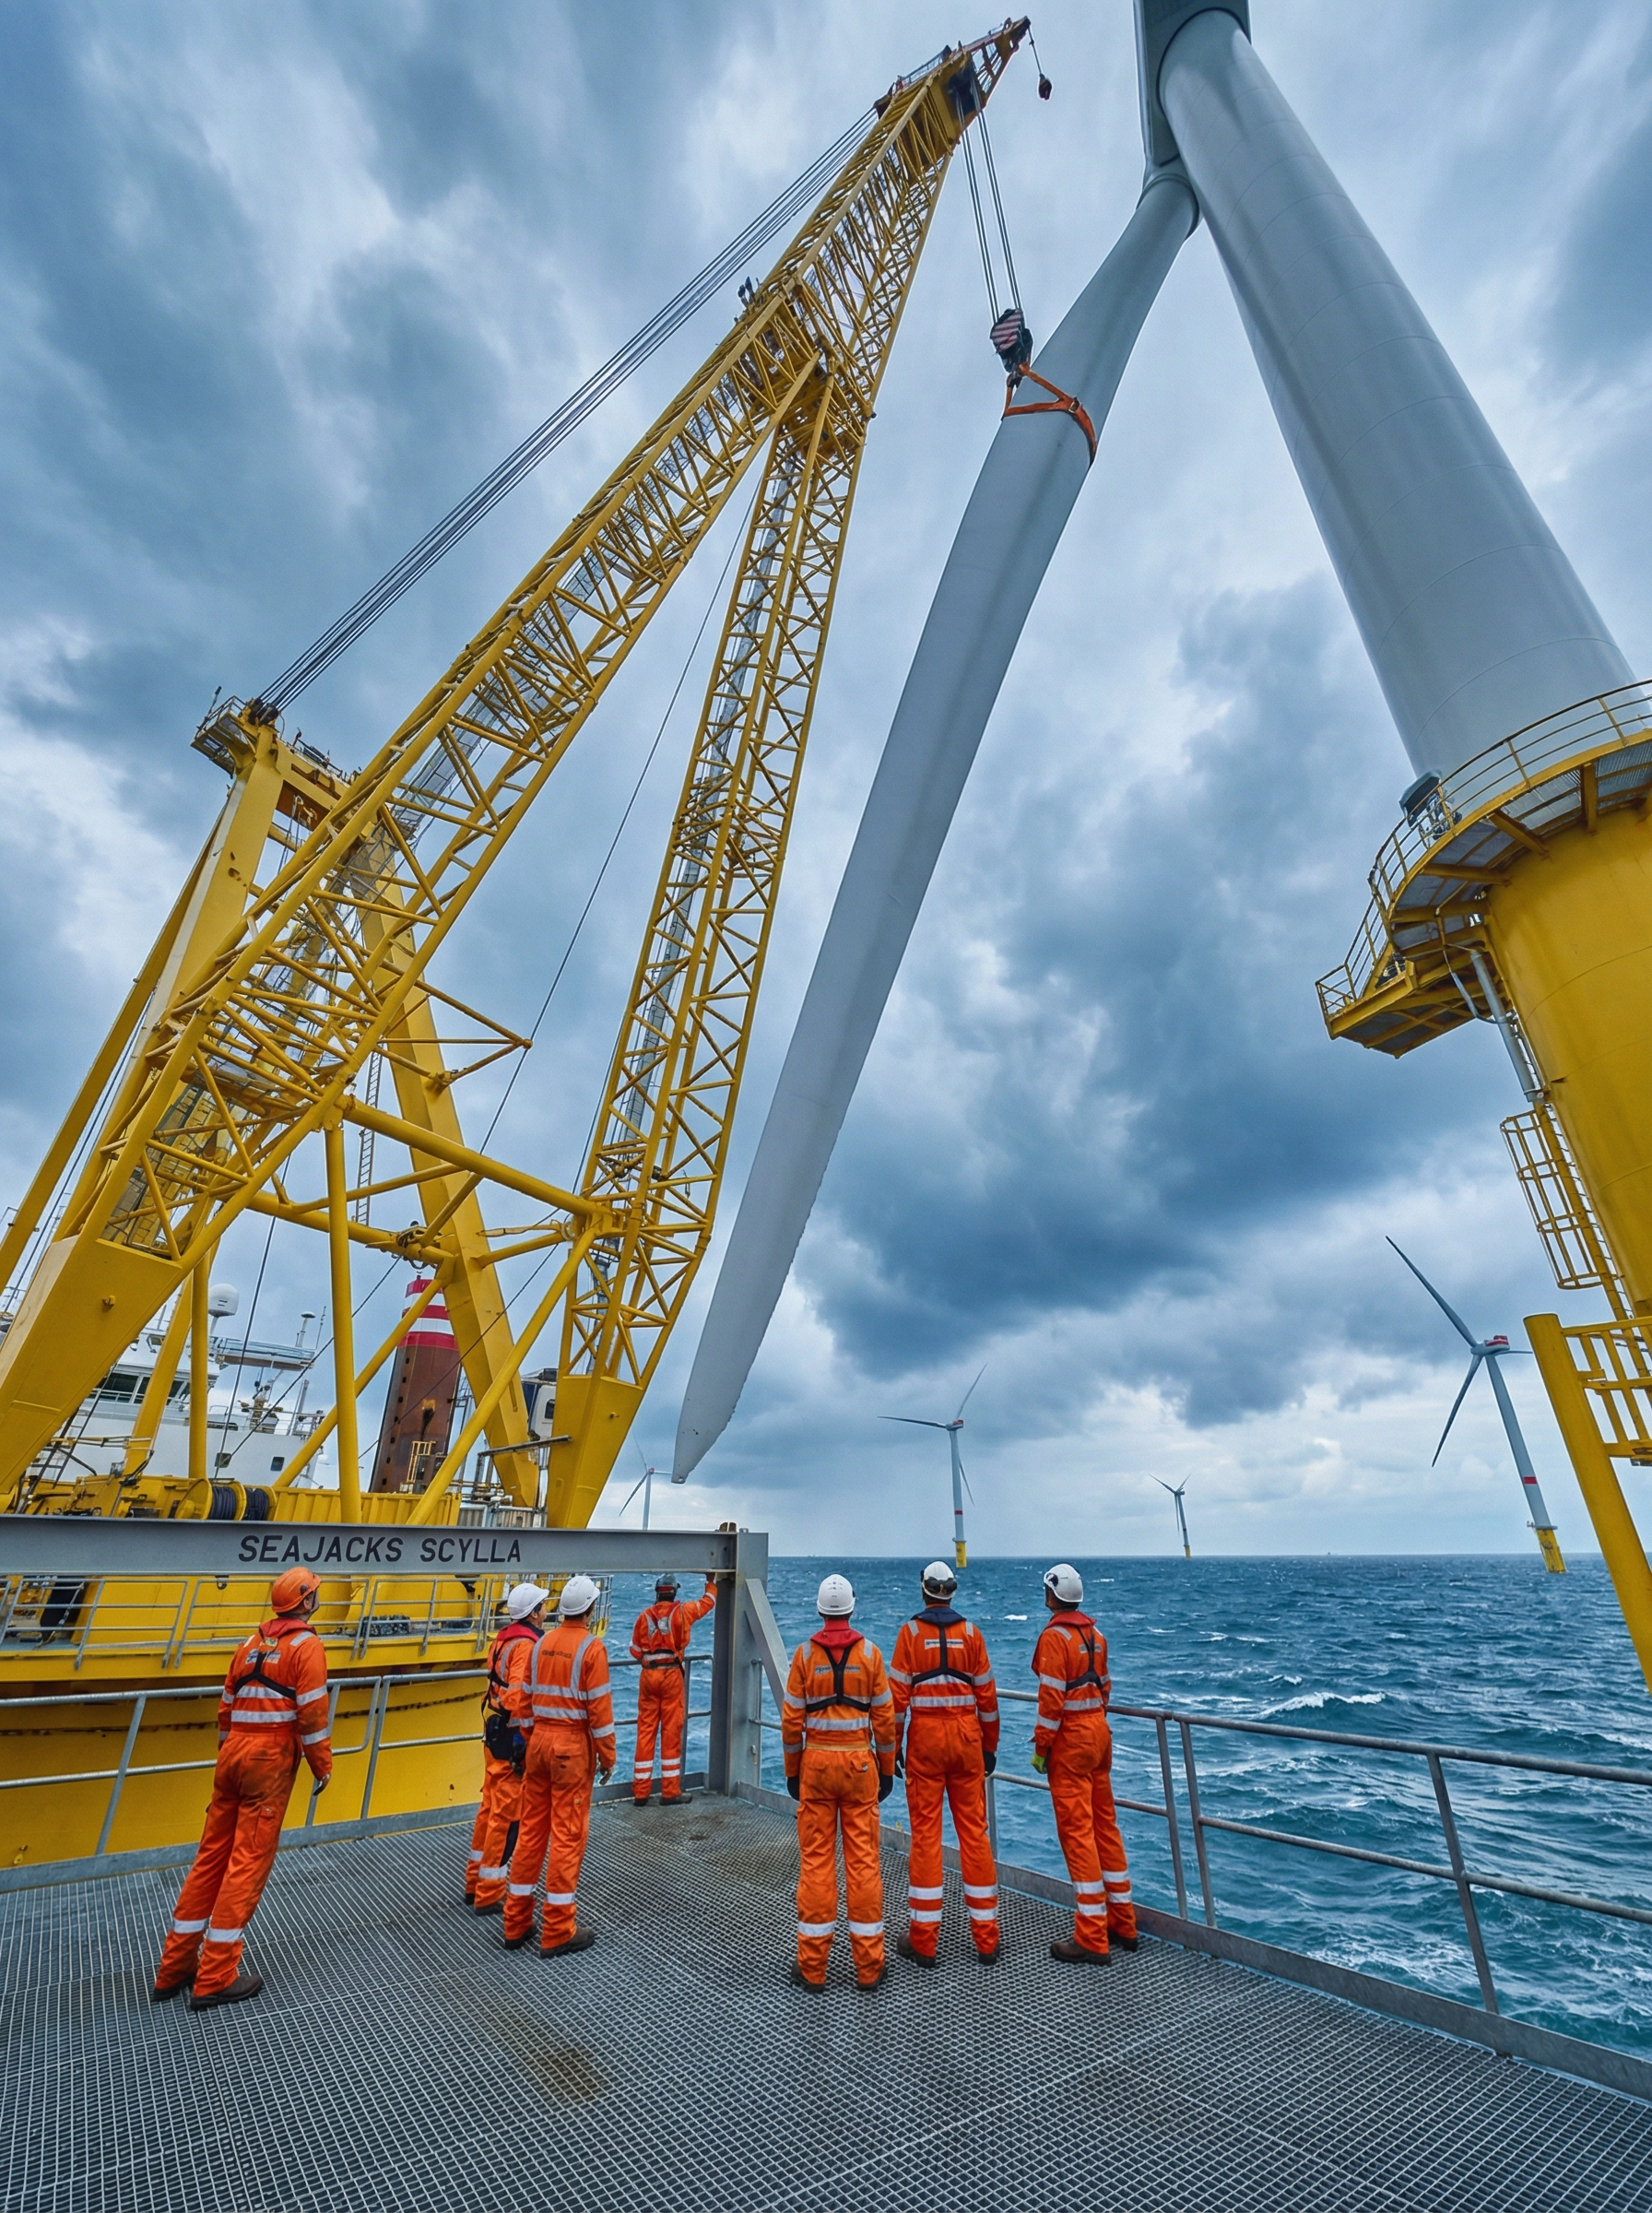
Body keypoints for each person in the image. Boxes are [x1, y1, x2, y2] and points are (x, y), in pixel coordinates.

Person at [152, 1565, 333, 2011]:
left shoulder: (249, 1644)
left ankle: (174, 1967)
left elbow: (227, 1706)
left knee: (210, 1858)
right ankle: (215, 1976)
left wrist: (227, 1753)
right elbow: (311, 1716)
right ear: (306, 1602)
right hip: (267, 1763)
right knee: (246, 1864)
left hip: (231, 1757)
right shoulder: (306, 1647)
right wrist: (322, 1767)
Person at [781, 1572, 897, 1991]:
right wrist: (886, 1770)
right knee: (863, 1864)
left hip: (816, 1765)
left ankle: (812, 1968)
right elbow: (885, 1722)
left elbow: (792, 1723)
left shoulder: (804, 1656)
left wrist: (793, 1773)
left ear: (819, 1609)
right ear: (851, 1607)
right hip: (860, 1768)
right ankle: (869, 1968)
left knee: (816, 1864)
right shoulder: (870, 1655)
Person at [890, 1560, 1001, 1965]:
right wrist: (989, 1747)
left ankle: (923, 1941)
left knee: (926, 1838)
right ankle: (987, 1939)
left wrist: (891, 1751)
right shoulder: (972, 1634)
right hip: (968, 1741)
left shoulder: (910, 1633)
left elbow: (897, 1702)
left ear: (924, 1590)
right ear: (951, 1592)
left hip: (926, 1744)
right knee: (974, 1835)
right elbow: (987, 1701)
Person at [503, 1573, 617, 1956]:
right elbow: (600, 1711)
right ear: (590, 1609)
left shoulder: (540, 1644)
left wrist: (532, 1740)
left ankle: (515, 1923)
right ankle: (557, 1931)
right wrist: (608, 1756)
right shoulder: (591, 1649)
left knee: (532, 1834)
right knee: (567, 1839)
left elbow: (523, 1701)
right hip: (571, 1750)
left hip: (538, 1746)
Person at [1031, 1562, 1138, 1963]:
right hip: (1099, 1734)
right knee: (1105, 1826)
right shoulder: (1097, 1636)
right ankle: (1122, 1922)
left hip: (1072, 1740)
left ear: (1051, 1596)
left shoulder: (1054, 1638)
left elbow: (1051, 1699)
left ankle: (1092, 1936)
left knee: (1077, 1834)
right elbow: (1104, 1687)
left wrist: (1042, 1748)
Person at [467, 1580, 549, 1912]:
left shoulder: (503, 1640)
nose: (546, 1610)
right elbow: (517, 1695)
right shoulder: (527, 1647)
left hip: (494, 1728)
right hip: (510, 1736)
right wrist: (521, 1742)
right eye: (543, 1606)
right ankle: (489, 1893)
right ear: (534, 1613)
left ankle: (475, 1881)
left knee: (488, 1810)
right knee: (507, 1816)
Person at [630, 1571, 717, 1805]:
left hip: (649, 1675)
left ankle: (640, 1793)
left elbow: (635, 1651)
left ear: (657, 1593)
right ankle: (670, 1792)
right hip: (672, 1676)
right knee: (671, 1733)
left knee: (645, 1732)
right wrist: (711, 1582)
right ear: (674, 1591)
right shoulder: (683, 1611)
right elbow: (708, 1603)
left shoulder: (643, 1617)